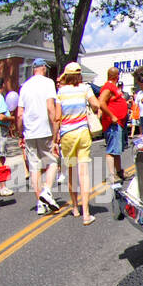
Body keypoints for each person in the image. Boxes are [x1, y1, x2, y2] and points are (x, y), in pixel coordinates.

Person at [52, 61, 101, 225]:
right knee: (84, 173)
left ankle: (75, 207)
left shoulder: (61, 92)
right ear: (79, 75)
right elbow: (96, 104)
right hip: (82, 133)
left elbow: (57, 118)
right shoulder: (85, 88)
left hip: (67, 135)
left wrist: (54, 139)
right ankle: (87, 213)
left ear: (66, 76)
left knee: (71, 172)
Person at [17, 58, 61, 215]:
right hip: (45, 130)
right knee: (53, 161)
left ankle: (40, 203)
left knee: (34, 167)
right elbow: (50, 107)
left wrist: (20, 132)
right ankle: (47, 191)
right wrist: (56, 128)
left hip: (29, 131)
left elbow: (20, 114)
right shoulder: (48, 83)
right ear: (43, 68)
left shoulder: (25, 86)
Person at [98, 67, 129, 184]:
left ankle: (119, 171)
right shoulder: (108, 87)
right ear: (116, 76)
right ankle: (111, 175)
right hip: (112, 123)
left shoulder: (113, 87)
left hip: (118, 123)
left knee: (117, 150)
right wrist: (112, 116)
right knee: (111, 150)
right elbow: (101, 102)